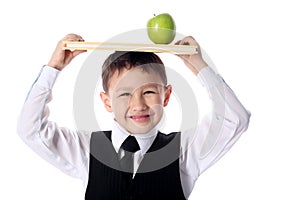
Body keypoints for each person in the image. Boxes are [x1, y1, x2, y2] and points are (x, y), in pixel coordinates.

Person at [17, 33, 250, 199]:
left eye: (148, 92)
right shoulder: (87, 148)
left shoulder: (185, 150)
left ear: (166, 96)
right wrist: (53, 68)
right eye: (125, 94)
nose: (137, 104)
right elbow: (30, 129)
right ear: (107, 101)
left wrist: (200, 66)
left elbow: (235, 118)